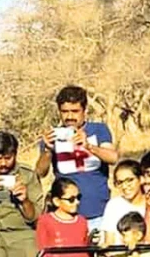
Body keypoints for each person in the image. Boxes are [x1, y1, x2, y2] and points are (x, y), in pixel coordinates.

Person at [36, 85, 119, 225]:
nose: (69, 116)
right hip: (65, 215)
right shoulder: (53, 136)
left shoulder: (99, 130)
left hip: (98, 211)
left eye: (75, 111)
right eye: (64, 112)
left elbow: (112, 158)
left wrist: (89, 146)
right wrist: (48, 150)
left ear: (84, 110)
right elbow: (40, 172)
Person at [36, 177, 100, 257]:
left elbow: (85, 250)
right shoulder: (46, 221)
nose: (77, 202)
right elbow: (43, 254)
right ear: (56, 201)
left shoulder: (82, 221)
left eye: (78, 197)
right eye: (71, 199)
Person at [98, 160, 147, 245]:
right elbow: (109, 241)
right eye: (120, 182)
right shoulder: (114, 205)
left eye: (130, 180)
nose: (124, 186)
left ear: (141, 179)